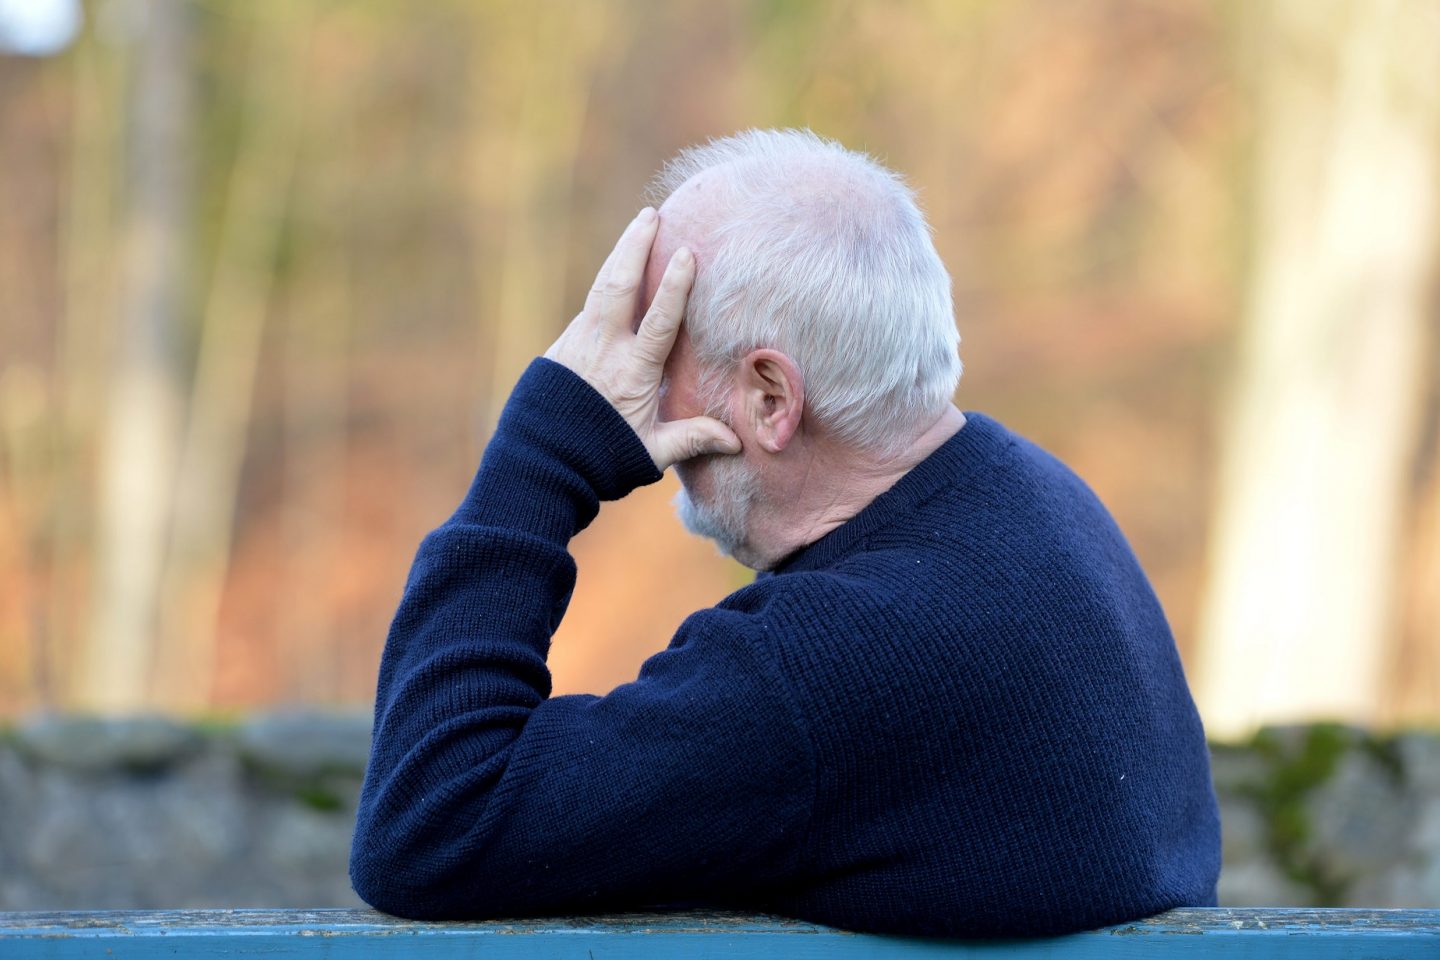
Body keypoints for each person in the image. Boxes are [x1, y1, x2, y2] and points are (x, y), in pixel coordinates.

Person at [348, 129, 1221, 937]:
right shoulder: (1037, 501)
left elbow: (432, 823)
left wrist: (544, 456)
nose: (635, 396)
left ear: (770, 398)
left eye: (659, 351)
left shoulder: (825, 668)